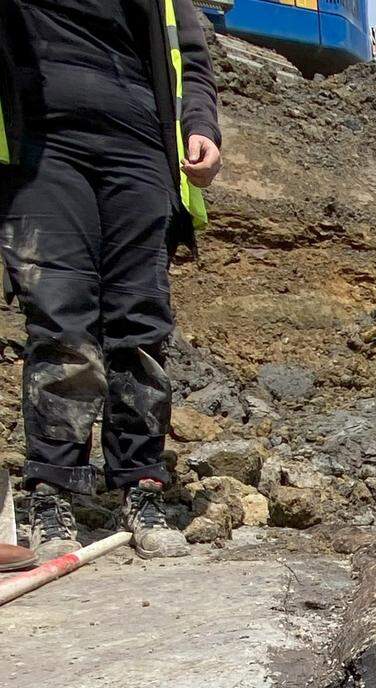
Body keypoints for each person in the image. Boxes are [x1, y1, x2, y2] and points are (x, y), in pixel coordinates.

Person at [0, 0, 221, 561]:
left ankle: (141, 485)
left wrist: (200, 123)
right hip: (40, 140)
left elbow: (188, 56)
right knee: (60, 317)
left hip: (140, 144)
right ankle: (51, 491)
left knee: (141, 321)